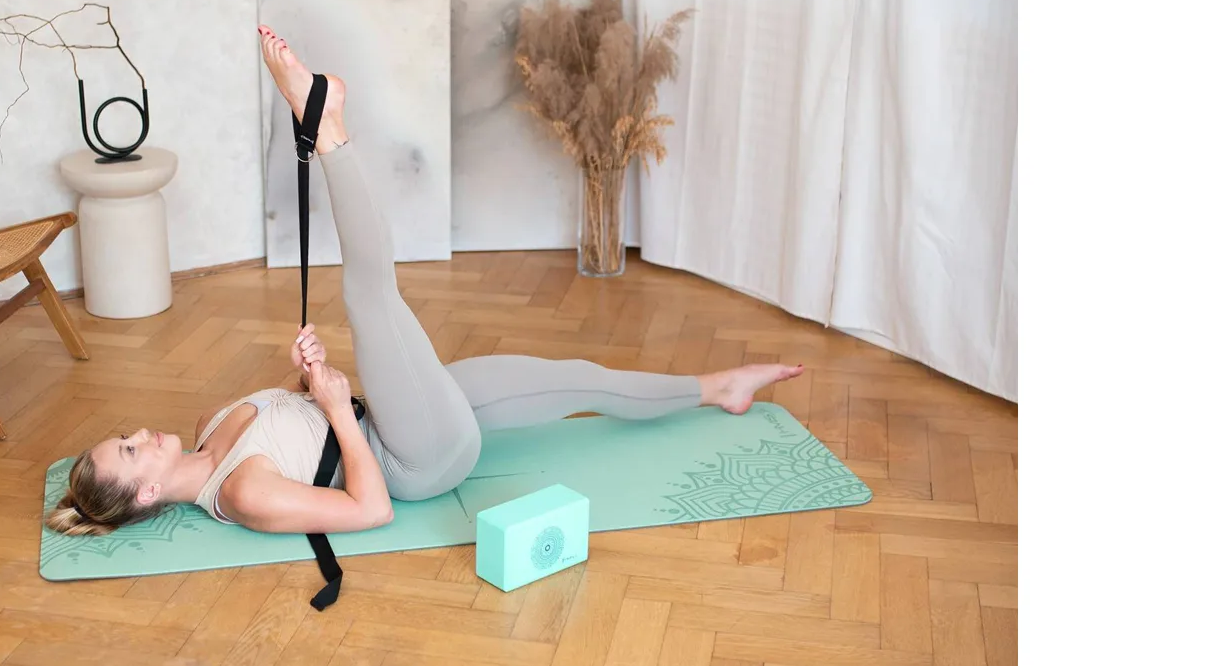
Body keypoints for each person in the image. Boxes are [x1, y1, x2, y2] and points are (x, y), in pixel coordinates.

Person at [45, 27, 803, 537]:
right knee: (370, 295)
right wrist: (336, 408)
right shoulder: (240, 495)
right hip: (415, 459)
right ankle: (326, 126)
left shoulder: (212, 425)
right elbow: (369, 510)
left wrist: (308, 379)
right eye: (131, 453)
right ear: (148, 494)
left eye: (124, 437)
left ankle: (718, 389)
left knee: (575, 377)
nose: (139, 436)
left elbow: (305, 437)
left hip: (397, 415)